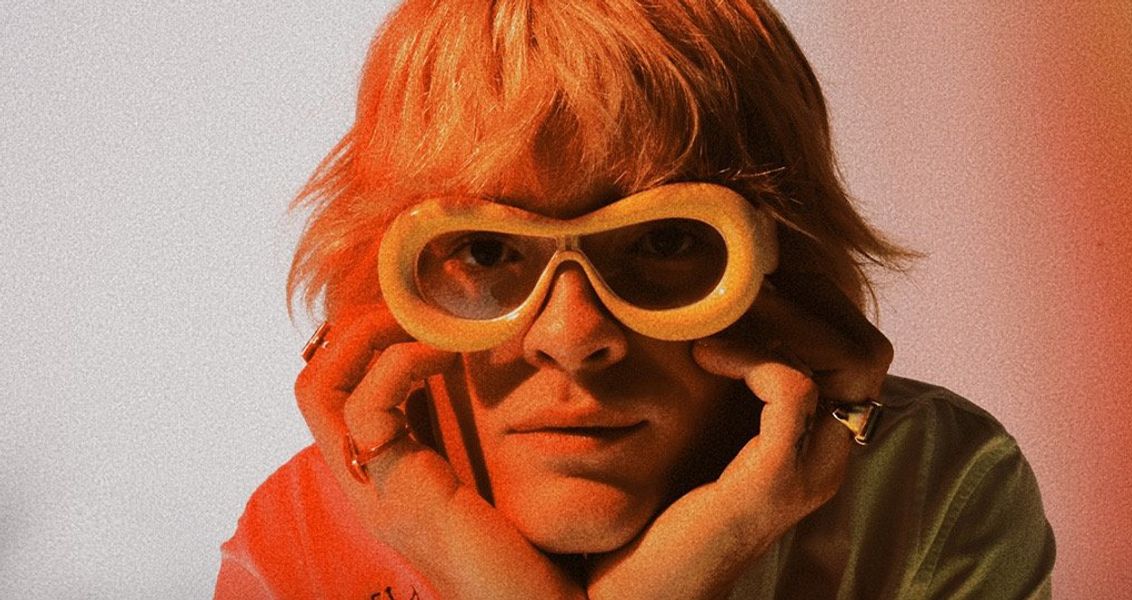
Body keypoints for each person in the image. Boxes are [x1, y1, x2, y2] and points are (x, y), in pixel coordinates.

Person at [216, 1, 1055, 597]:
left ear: (778, 269)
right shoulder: (302, 543)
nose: (572, 334)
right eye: (485, 249)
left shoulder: (926, 491)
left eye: (664, 240)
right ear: (396, 290)